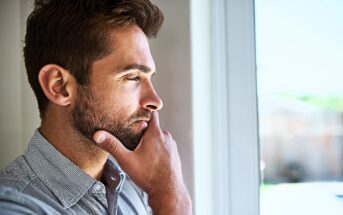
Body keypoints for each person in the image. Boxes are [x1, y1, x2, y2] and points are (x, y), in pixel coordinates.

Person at [0, 0, 192, 214]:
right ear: (60, 87)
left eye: (149, 78)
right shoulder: (12, 207)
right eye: (132, 77)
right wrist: (170, 197)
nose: (156, 100)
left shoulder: (133, 190)